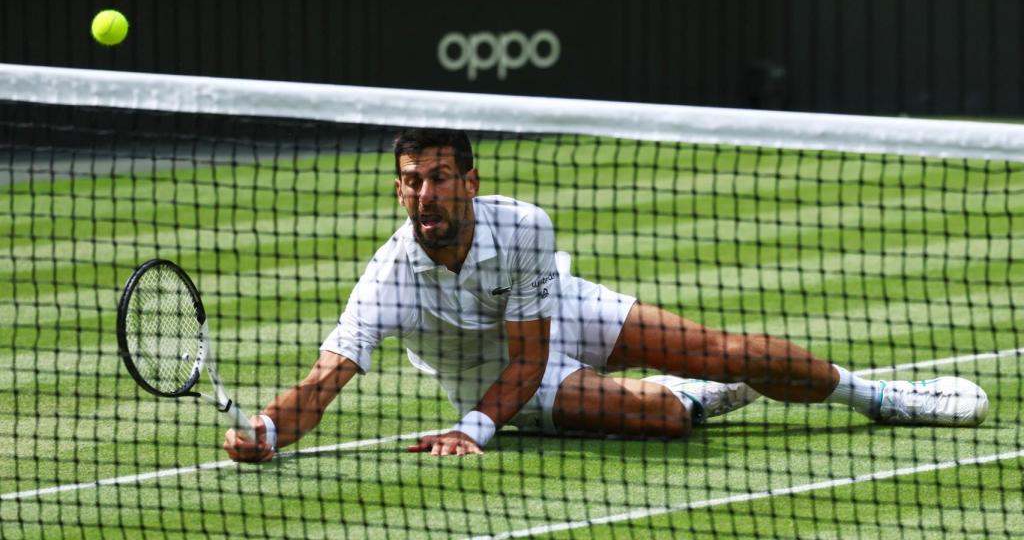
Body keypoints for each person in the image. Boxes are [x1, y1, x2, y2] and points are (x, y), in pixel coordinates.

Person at [224, 129, 989, 461]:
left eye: (440, 178)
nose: (425, 194)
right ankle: (695, 397)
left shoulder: (522, 227)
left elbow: (533, 344)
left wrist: (476, 433)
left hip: (554, 319)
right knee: (661, 419)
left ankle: (881, 397)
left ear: (470, 182)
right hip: (496, 382)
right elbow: (323, 384)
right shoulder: (388, 278)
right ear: (400, 190)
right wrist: (264, 430)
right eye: (411, 181)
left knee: (731, 350)